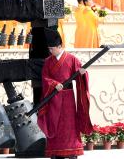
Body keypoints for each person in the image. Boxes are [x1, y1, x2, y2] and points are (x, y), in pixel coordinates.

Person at [36, 31, 92, 159]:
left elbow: (80, 75)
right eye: (49, 49)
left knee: (69, 124)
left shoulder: (72, 59)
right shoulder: (48, 61)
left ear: (59, 46)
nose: (50, 51)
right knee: (54, 123)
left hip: (68, 98)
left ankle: (72, 151)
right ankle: (56, 152)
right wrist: (54, 84)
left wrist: (82, 73)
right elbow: (45, 77)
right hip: (54, 97)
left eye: (52, 48)